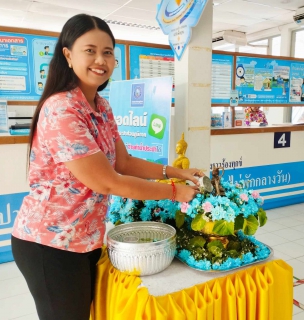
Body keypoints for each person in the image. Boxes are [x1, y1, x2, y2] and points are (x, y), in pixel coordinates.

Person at [11, 14, 203, 320]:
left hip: (86, 238)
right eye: (90, 50)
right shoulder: (62, 109)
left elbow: (123, 162)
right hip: (49, 244)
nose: (100, 60)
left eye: (108, 52)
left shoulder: (102, 107)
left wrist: (178, 172)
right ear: (67, 55)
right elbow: (109, 182)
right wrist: (176, 193)